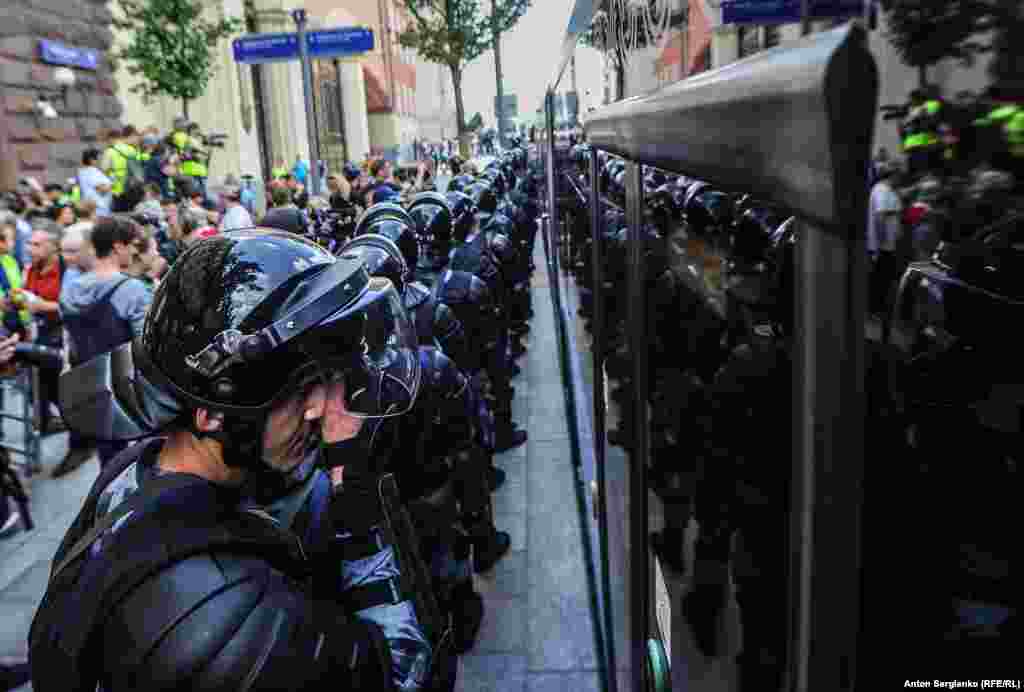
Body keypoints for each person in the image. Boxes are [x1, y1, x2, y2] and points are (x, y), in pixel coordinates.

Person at [32, 231, 432, 691]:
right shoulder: (231, 614)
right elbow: (406, 674)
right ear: (212, 414)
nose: (321, 410)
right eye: (303, 389)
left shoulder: (132, 468)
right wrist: (359, 510)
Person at [54, 216, 152, 476]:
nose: (135, 250)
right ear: (118, 246)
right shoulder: (133, 290)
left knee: (108, 458)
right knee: (130, 461)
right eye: (132, 244)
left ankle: (106, 504)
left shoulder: (71, 289)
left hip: (87, 385)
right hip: (124, 390)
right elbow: (147, 346)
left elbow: (70, 337)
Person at [23, 221, 66, 436]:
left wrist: (42, 305)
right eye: (29, 243)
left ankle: (79, 430)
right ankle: (46, 420)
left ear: (54, 246)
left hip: (61, 336)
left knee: (59, 387)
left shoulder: (67, 269)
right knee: (38, 385)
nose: (30, 248)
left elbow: (72, 306)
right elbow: (26, 294)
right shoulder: (31, 268)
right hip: (38, 333)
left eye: (37, 244)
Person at [867, 161, 905, 317]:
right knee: (881, 280)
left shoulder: (884, 189)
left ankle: (876, 308)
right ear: (893, 175)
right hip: (884, 246)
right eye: (899, 176)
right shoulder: (883, 190)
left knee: (881, 279)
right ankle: (876, 309)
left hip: (885, 245)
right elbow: (881, 217)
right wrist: (881, 242)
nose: (900, 180)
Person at [77, 148, 113, 217]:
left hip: (93, 207)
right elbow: (102, 189)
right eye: (99, 159)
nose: (101, 161)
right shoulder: (92, 172)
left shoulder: (82, 171)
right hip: (99, 208)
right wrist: (112, 183)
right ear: (92, 160)